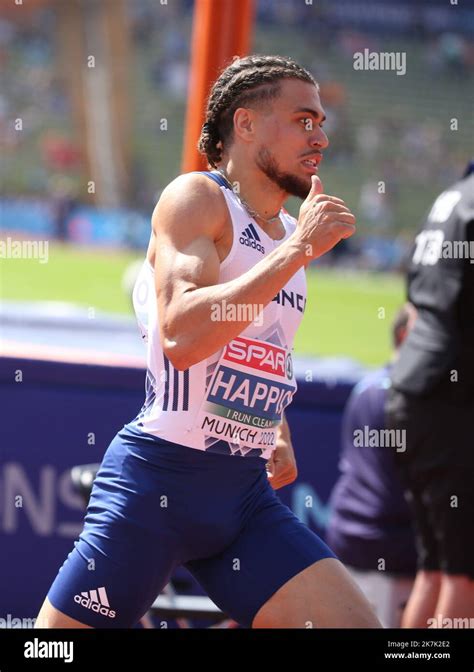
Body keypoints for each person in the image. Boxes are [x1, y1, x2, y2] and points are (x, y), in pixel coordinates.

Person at [35, 54, 381, 629]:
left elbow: (258, 341)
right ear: (245, 125)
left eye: (321, 122)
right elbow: (182, 334)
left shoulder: (292, 232)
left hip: (242, 497)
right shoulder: (198, 199)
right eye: (302, 120)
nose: (320, 135)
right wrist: (295, 254)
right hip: (158, 482)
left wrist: (274, 425)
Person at [385, 161, 474, 628]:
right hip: (450, 398)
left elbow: (414, 296)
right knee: (464, 574)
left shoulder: (450, 196)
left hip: (414, 388)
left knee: (436, 567)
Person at [326, 303, 418, 627]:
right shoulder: (412, 398)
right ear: (406, 335)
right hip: (389, 550)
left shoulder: (365, 386)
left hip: (352, 544)